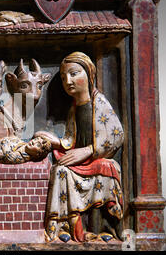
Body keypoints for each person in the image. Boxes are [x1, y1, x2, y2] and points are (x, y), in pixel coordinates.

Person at [36, 52, 124, 243]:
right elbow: (71, 138)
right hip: (80, 162)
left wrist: (89, 150)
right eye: (63, 77)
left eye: (74, 73)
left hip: (95, 158)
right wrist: (55, 141)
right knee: (60, 171)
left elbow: (116, 135)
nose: (68, 81)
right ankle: (64, 227)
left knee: (108, 168)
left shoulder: (99, 103)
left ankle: (107, 227)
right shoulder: (75, 107)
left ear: (89, 73)